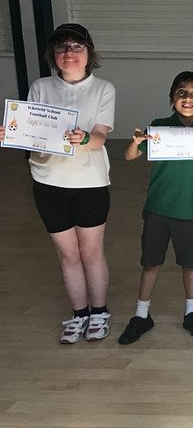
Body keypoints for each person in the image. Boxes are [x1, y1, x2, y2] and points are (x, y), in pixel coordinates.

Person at [13, 24, 116, 343]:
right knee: (68, 255)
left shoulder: (104, 89)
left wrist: (84, 138)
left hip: (90, 182)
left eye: (76, 47)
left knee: (91, 252)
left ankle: (99, 312)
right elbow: (30, 133)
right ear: (53, 56)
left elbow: (99, 138)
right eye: (62, 48)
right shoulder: (40, 87)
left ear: (89, 53)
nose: (69, 53)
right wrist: (13, 133)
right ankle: (79, 314)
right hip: (48, 181)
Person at [117, 72, 193, 344]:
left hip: (191, 211)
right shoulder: (159, 127)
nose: (188, 98)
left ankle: (191, 312)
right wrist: (135, 142)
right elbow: (129, 157)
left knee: (190, 263)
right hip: (158, 209)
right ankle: (141, 315)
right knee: (151, 262)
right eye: (181, 92)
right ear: (172, 100)